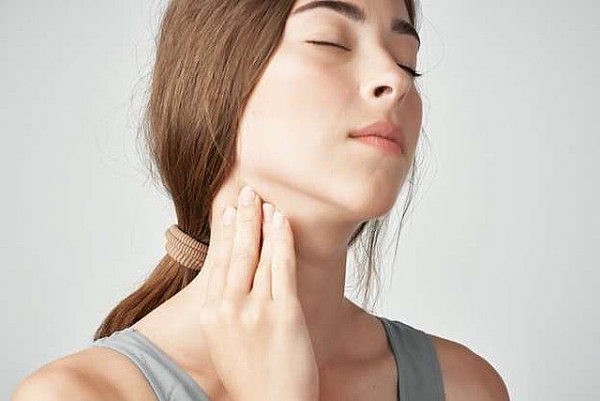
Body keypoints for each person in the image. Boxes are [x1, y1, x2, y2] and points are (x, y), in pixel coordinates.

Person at [12, 0, 510, 399]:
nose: (397, 80)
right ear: (214, 79)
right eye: (330, 41)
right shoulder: (78, 395)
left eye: (407, 62)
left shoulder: (465, 388)